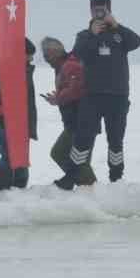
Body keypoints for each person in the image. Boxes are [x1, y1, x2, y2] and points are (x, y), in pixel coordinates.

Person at [63, 0, 140, 188]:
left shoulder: (119, 35)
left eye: (102, 10)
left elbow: (136, 42)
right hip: (92, 97)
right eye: (95, 10)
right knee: (82, 139)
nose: (99, 13)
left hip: (118, 97)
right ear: (90, 11)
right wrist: (92, 34)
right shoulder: (84, 35)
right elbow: (78, 53)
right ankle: (70, 177)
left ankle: (116, 179)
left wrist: (117, 25)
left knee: (115, 141)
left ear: (109, 10)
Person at [0, 37, 39, 187]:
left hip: (0, 120)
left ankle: (11, 185)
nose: (31, 59)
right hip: (8, 121)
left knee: (12, 156)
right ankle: (8, 185)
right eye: (29, 55)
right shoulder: (13, 68)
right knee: (12, 157)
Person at [40, 37, 95, 189]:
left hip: (82, 122)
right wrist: (58, 97)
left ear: (56, 52)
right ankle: (88, 189)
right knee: (78, 158)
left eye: (46, 55)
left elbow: (77, 89)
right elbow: (71, 89)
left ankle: (90, 188)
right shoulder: (63, 66)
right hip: (76, 122)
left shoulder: (70, 65)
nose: (45, 59)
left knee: (61, 153)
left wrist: (58, 98)